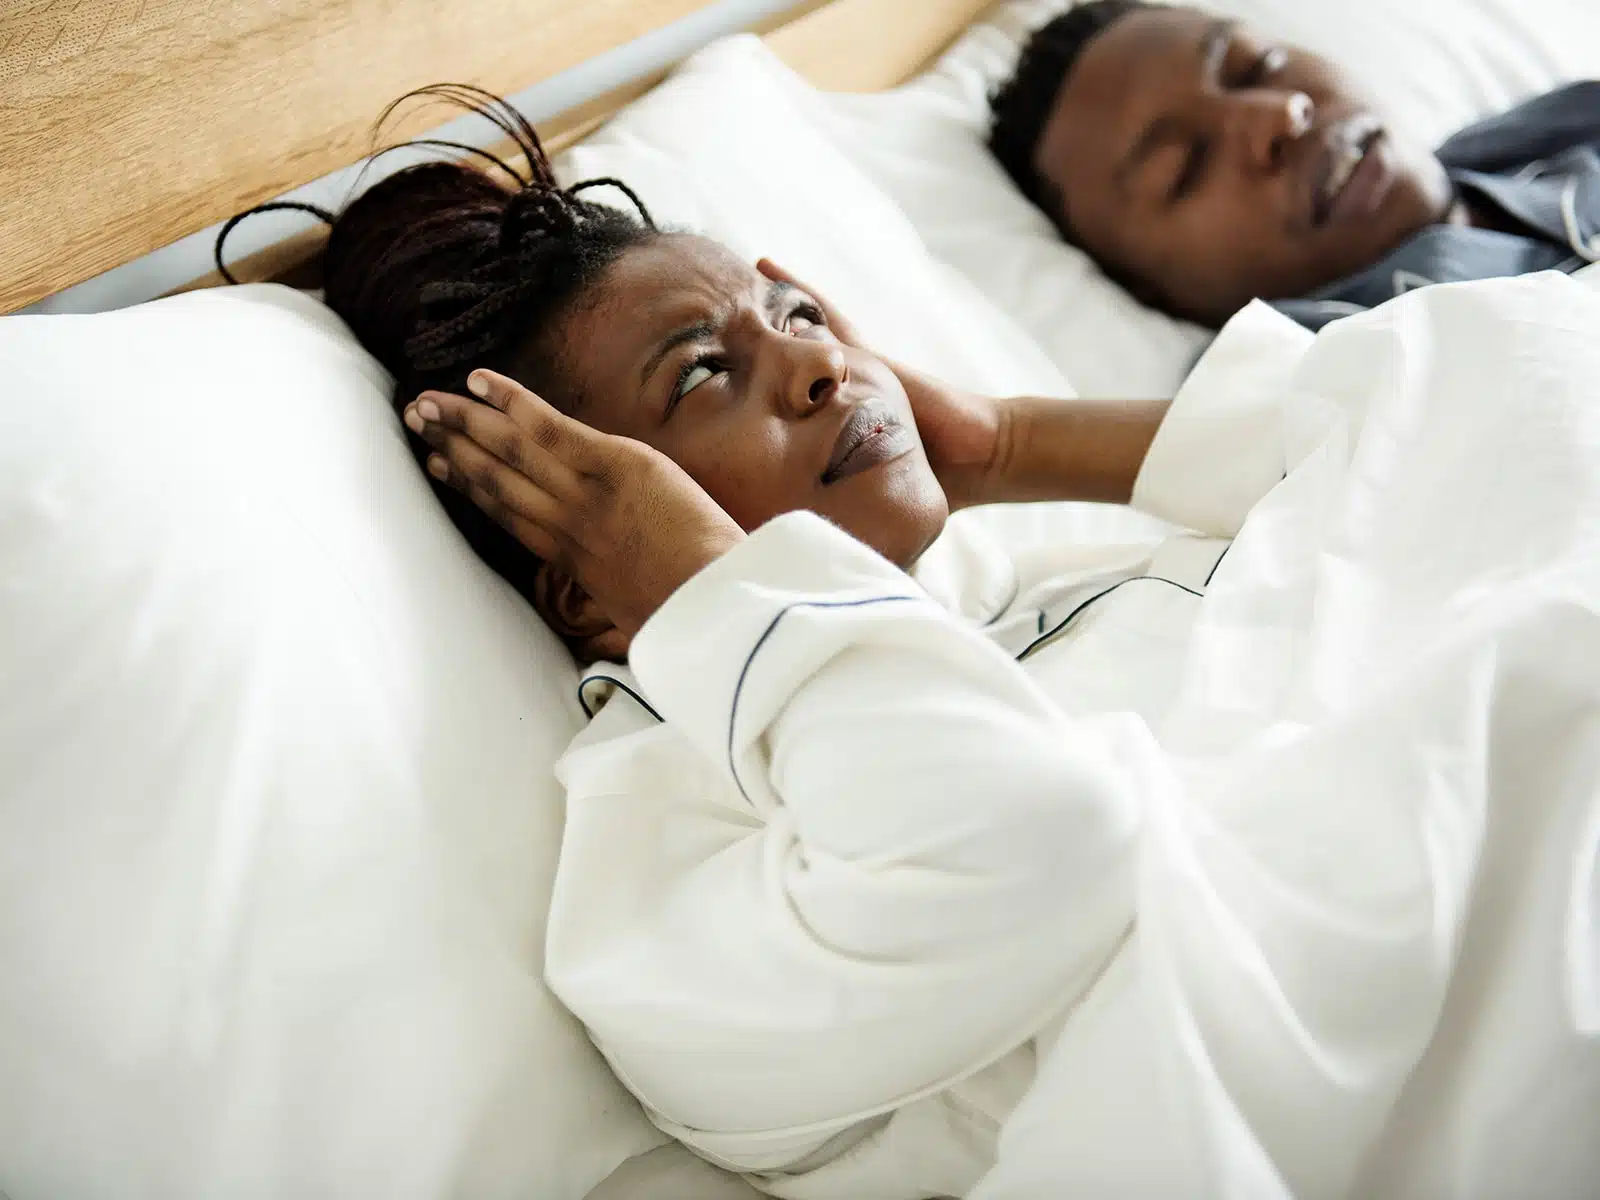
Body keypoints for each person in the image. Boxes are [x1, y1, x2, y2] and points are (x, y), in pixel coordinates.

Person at [238, 87, 1600, 1198]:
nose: (824, 367)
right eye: (706, 374)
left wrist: (1007, 441)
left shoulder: (1038, 601)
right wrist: (707, 580)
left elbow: (1480, 398)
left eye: (800, 316)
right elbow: (1039, 840)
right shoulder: (649, 886)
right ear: (597, 583)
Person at [987, 0, 1600, 329]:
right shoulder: (1302, 394)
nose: (1278, 116)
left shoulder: (1555, 130)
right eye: (1187, 167)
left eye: (1260, 66)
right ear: (1157, 296)